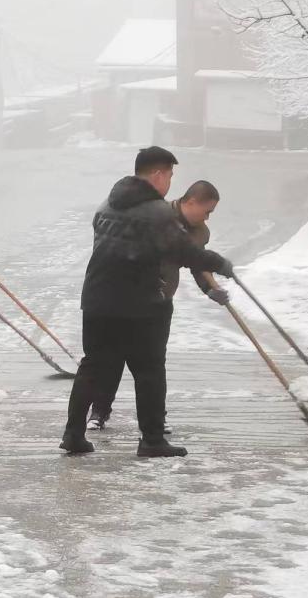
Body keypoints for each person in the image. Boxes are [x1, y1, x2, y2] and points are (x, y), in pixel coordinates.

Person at [60, 147, 233, 457]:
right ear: (158, 174)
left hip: (98, 298)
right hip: (141, 304)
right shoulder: (157, 212)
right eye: (170, 175)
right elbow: (184, 252)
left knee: (92, 366)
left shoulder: (106, 205)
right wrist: (218, 263)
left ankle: (73, 435)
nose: (170, 182)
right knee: (149, 370)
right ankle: (152, 440)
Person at [86, 180, 228, 432]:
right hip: (131, 296)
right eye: (207, 211)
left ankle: (156, 420)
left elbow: (197, 263)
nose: (207, 217)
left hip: (160, 302)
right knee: (113, 357)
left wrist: (210, 290)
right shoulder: (159, 216)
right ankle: (99, 411)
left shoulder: (200, 233)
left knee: (154, 364)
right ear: (191, 202)